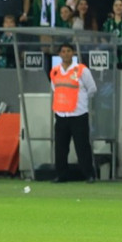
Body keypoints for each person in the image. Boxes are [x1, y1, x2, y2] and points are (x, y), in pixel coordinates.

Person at [51, 43, 97, 183]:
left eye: (68, 51)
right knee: (60, 147)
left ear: (73, 53)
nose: (65, 54)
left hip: (78, 114)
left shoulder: (82, 70)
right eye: (63, 51)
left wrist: (80, 101)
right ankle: (61, 174)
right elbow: (55, 89)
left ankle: (89, 174)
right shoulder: (55, 71)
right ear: (59, 54)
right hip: (61, 114)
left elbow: (92, 88)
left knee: (82, 146)